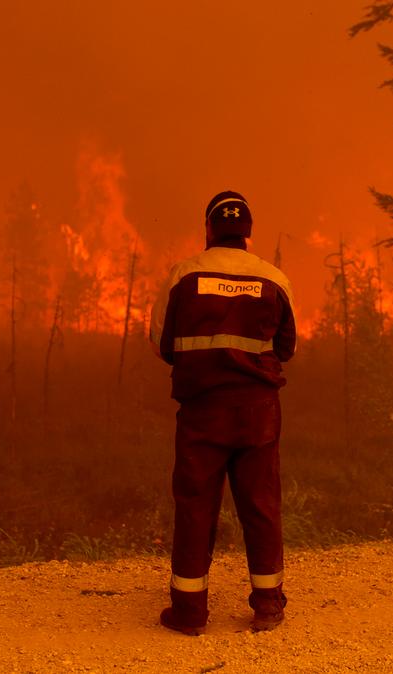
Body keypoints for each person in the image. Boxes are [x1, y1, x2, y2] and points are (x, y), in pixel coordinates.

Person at [149, 190, 297, 635]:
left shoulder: (184, 275)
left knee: (195, 507)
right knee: (262, 506)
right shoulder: (274, 279)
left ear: (209, 229)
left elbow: (162, 343)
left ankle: (190, 614)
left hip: (203, 413)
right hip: (258, 413)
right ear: (247, 233)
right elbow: (287, 348)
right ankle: (268, 606)